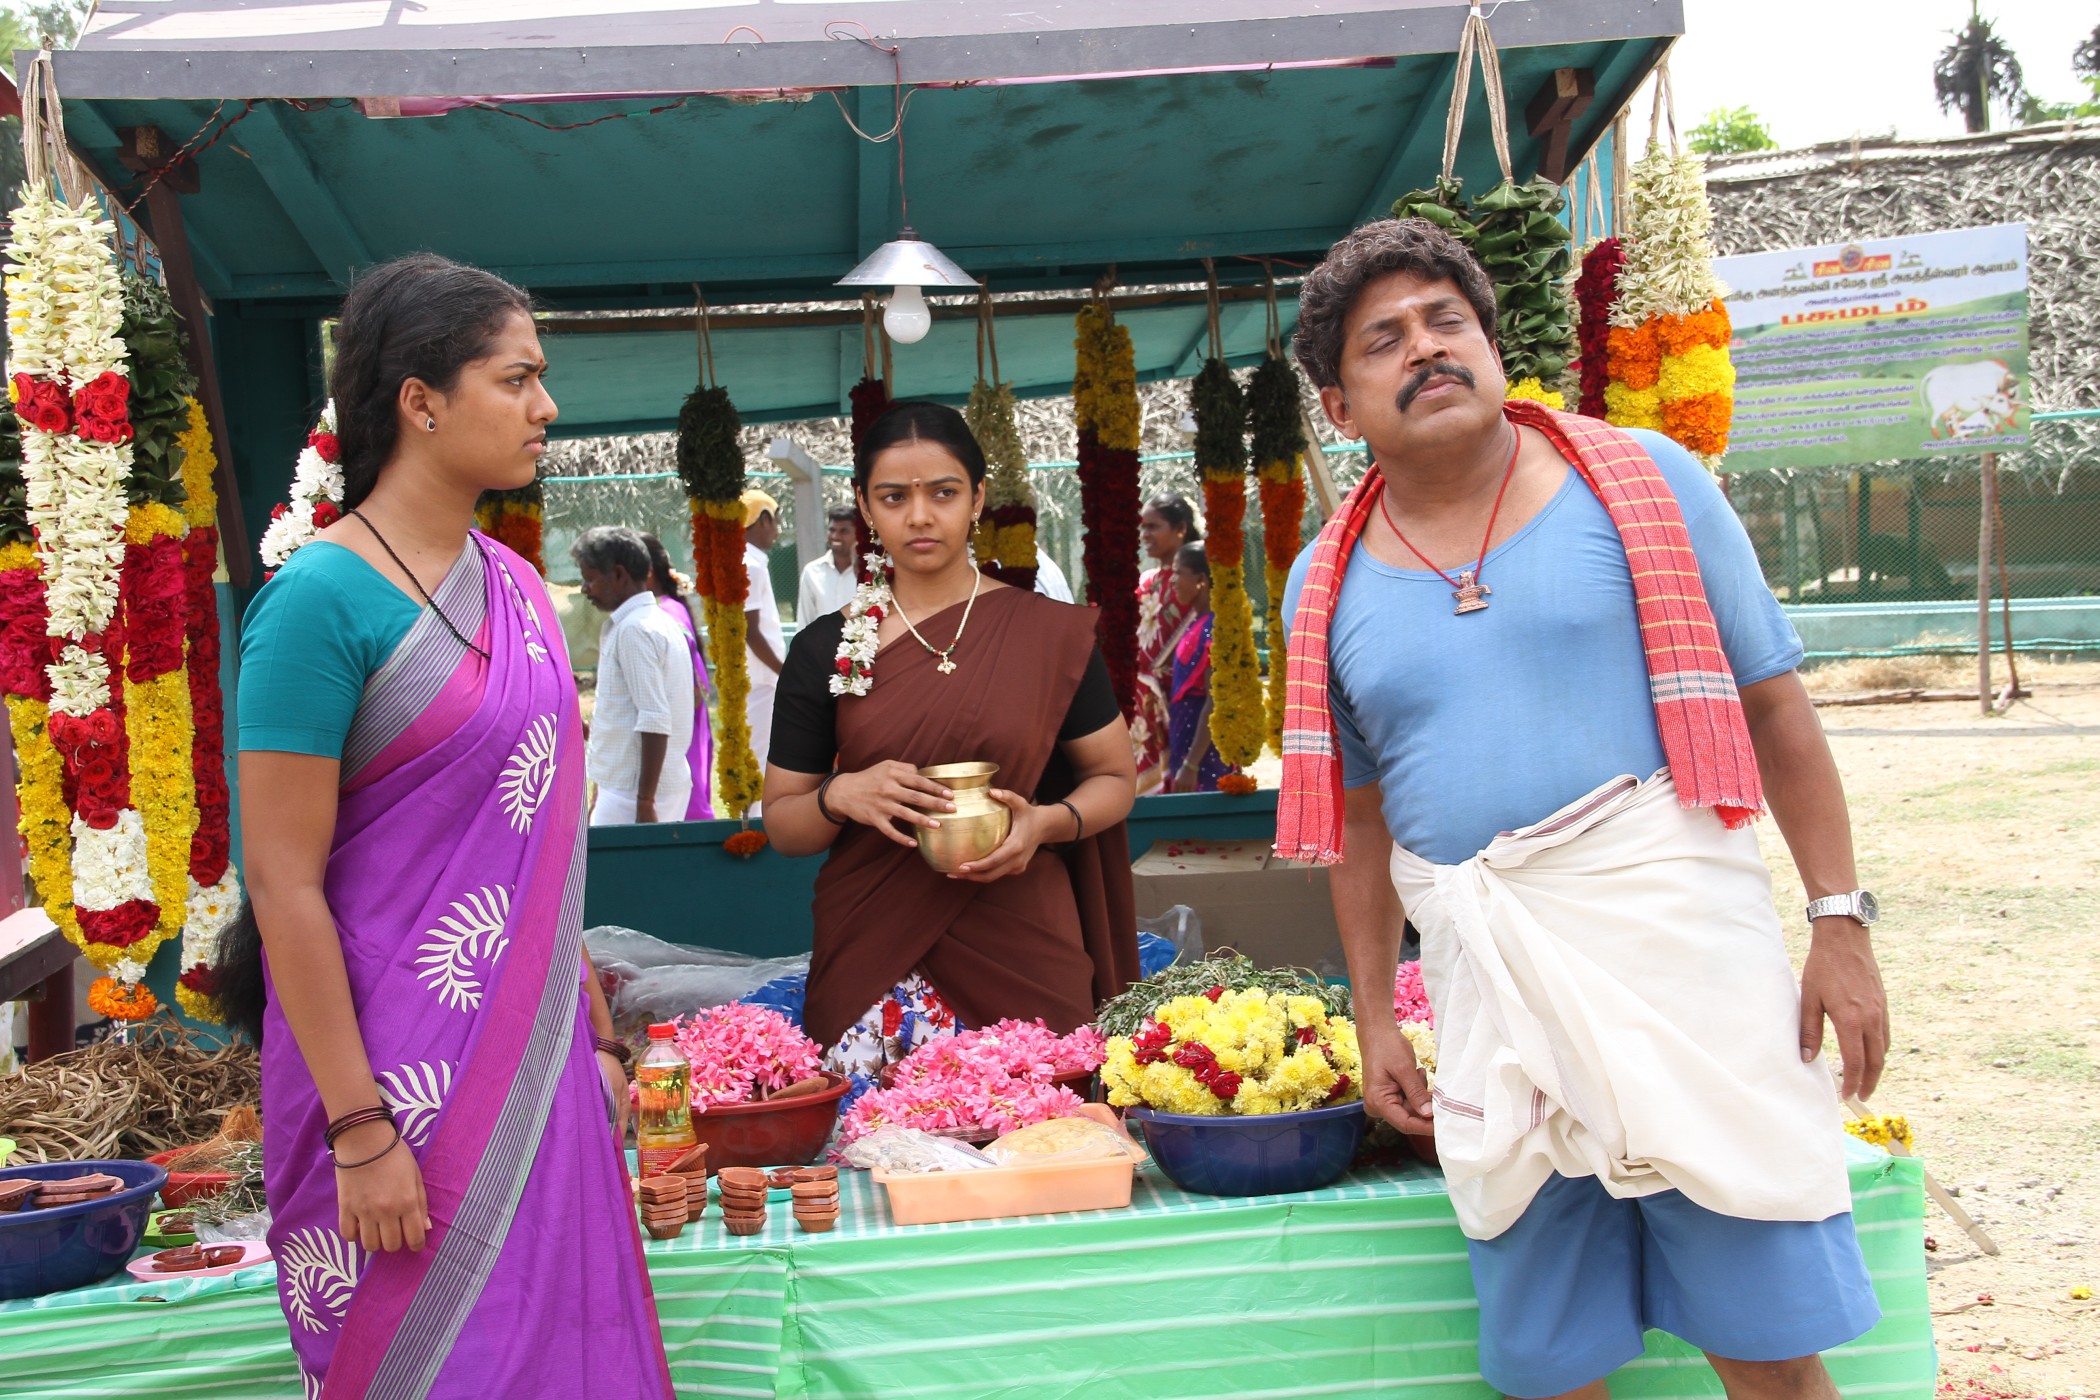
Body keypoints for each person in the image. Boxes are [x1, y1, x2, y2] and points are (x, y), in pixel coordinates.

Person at [1277, 219, 1888, 1400]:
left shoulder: (1647, 482)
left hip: (1683, 973)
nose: (1426, 347)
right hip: (1493, 998)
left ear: (1494, 348)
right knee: (1553, 1363)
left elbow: (1775, 708)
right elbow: (1359, 819)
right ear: (1340, 408)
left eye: (1448, 320)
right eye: (1384, 339)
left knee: (1769, 1347)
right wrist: (1375, 1015)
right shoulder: (1324, 581)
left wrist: (1840, 919)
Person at [235, 253, 671, 1398]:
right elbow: (281, 884)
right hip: (388, 1092)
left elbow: (538, 854)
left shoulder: (519, 589)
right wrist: (359, 1127)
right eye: (516, 379)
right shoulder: (316, 604)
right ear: (421, 402)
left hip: (538, 1072)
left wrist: (596, 1040)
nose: (547, 406)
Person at [763, 401, 1141, 1084]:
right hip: (873, 953)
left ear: (977, 499)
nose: (919, 516)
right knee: (881, 1145)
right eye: (893, 497)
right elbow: (786, 824)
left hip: (1023, 939)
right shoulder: (824, 648)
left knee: (1048, 1137)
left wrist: (1045, 823)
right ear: (865, 506)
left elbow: (1115, 779)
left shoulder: (1047, 635)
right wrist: (841, 794)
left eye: (942, 493)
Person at [575, 526, 694, 825]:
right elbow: (636, 711)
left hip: (633, 794)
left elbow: (655, 718)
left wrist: (644, 802)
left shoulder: (635, 630)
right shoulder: (654, 622)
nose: (584, 589)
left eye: (590, 578)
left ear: (618, 574)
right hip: (640, 788)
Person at [642, 531, 715, 821]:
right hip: (682, 719)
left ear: (646, 572)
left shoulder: (663, 614)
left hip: (674, 725)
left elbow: (690, 688)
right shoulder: (670, 607)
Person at [1131, 493, 1200, 794]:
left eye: (1153, 527)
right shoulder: (1145, 581)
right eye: (1142, 527)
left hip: (1187, 702)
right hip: (1145, 708)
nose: (1144, 535)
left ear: (1181, 529)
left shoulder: (1197, 580)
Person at [1163, 543, 1236, 793]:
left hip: (1203, 755)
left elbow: (1214, 701)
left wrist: (1192, 763)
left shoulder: (1214, 630)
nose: (1172, 581)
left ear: (1201, 580)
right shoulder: (1196, 623)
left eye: (1178, 572)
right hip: (1186, 741)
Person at [742, 489, 787, 804]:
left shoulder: (748, 560)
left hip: (757, 677)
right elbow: (751, 631)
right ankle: (759, 821)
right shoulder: (750, 564)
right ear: (763, 519)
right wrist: (784, 672)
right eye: (776, 521)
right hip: (761, 679)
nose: (777, 530)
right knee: (761, 757)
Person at [798, 503, 861, 622]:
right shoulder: (812, 572)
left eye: (844, 531)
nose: (836, 536)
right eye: (832, 530)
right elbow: (805, 620)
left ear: (857, 534)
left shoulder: (869, 572)